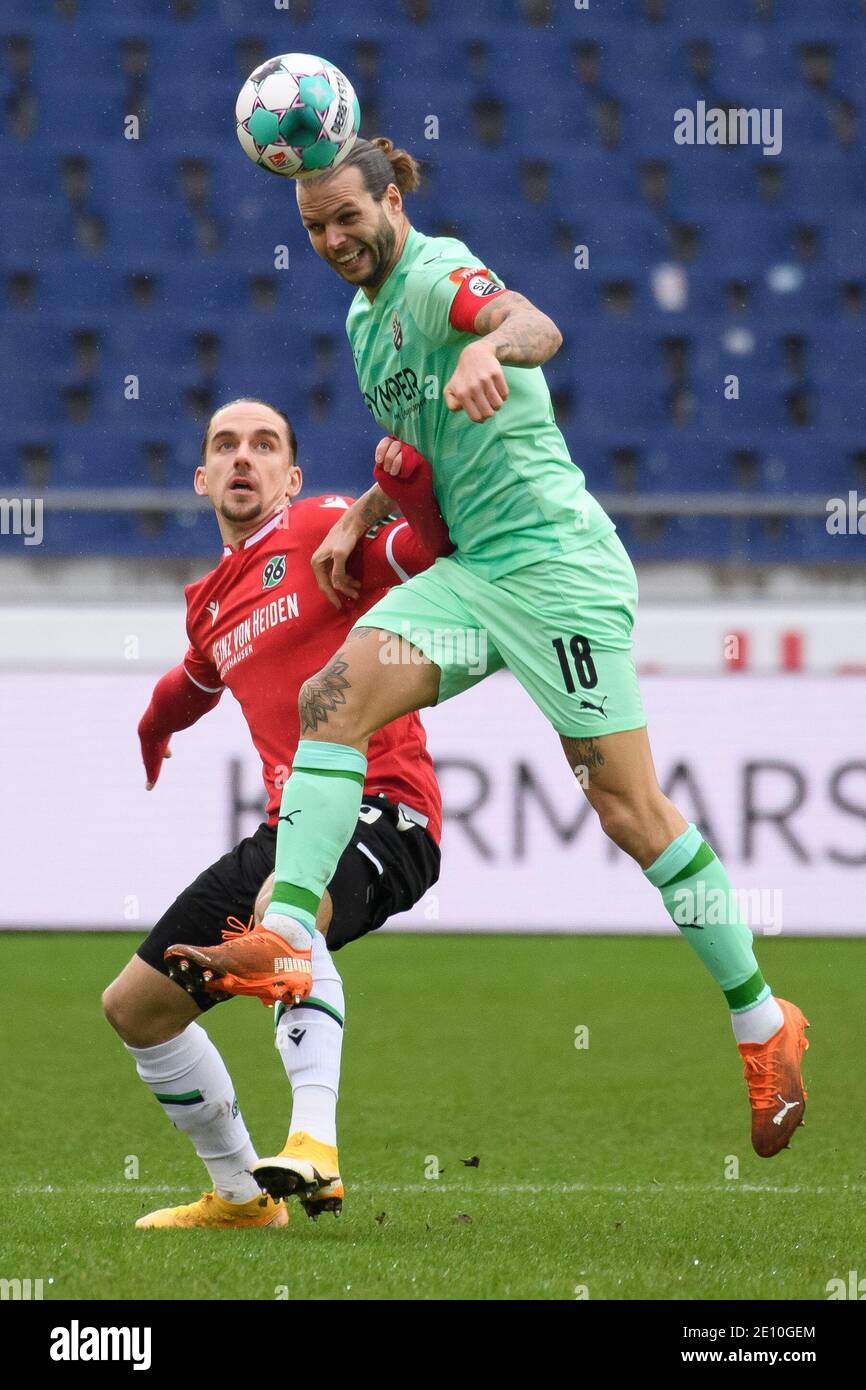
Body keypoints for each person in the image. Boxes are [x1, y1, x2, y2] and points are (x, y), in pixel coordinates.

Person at [170, 142, 809, 1163]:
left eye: (346, 217)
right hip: (473, 577)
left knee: (628, 811)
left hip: (555, 570)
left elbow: (534, 322)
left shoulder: (432, 273)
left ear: (388, 198)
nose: (334, 240)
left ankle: (758, 1020)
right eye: (313, 230)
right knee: (332, 697)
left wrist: (491, 346)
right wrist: (368, 509)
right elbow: (432, 447)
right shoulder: (362, 322)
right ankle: (288, 930)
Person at [102, 396, 451, 1228]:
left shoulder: (328, 528)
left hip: (385, 808)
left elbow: (427, 546)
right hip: (289, 827)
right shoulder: (210, 599)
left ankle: (314, 1145)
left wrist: (400, 489)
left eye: (263, 446)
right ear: (202, 478)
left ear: (292, 478)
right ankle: (242, 1198)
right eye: (224, 446)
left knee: (282, 915)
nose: (242, 458)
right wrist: (152, 731)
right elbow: (191, 680)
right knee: (137, 1008)